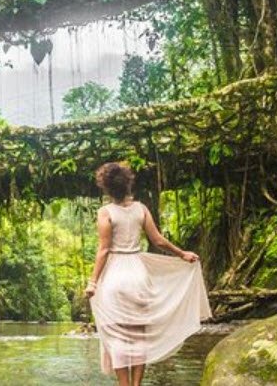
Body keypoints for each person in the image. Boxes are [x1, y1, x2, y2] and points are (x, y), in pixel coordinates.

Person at [85, 162, 212, 386]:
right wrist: (182, 254)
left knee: (118, 337)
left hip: (115, 278)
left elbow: (104, 249)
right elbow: (158, 240)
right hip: (138, 275)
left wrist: (93, 282)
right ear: (128, 184)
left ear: (106, 188)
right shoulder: (141, 209)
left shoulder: (105, 213)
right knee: (139, 335)